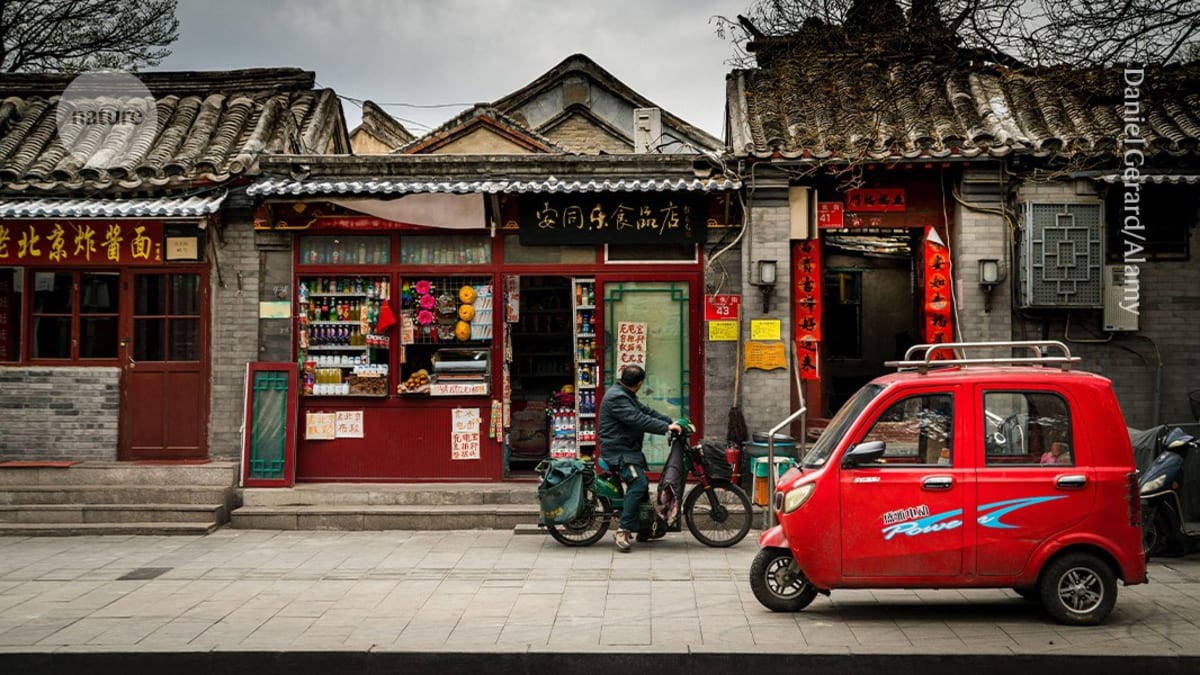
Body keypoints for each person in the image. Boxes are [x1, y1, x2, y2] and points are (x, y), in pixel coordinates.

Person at [598, 364, 681, 553]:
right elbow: (638, 419)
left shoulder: (623, 393)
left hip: (627, 449)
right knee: (639, 484)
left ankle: (644, 529)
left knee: (642, 490)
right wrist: (666, 428)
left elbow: (646, 412)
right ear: (640, 383)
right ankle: (622, 531)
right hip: (618, 452)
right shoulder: (617, 397)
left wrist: (670, 421)